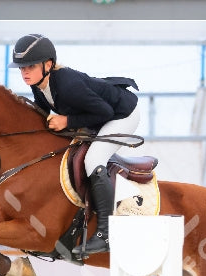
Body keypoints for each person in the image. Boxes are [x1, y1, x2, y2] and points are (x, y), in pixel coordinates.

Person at [9, 33, 140, 256]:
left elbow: (105, 112)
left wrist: (67, 121)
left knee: (93, 159)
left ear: (48, 64)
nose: (25, 72)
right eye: (21, 68)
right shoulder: (38, 84)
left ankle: (105, 234)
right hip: (99, 114)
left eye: (30, 66)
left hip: (122, 115)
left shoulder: (68, 85)